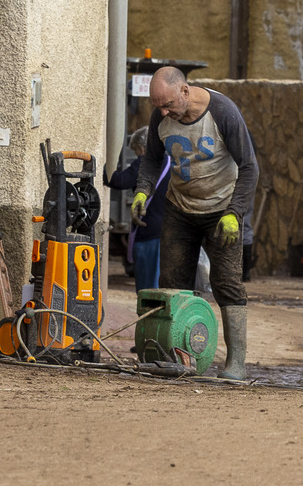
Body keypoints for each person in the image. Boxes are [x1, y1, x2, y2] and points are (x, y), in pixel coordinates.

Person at [133, 67, 259, 380]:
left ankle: (236, 363)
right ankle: (178, 356)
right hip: (180, 209)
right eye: (158, 106)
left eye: (168, 105)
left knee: (227, 283)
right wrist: (141, 191)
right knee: (174, 281)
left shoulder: (224, 113)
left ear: (186, 91)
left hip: (222, 210)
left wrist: (235, 212)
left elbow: (249, 167)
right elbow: (151, 159)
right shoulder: (161, 117)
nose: (163, 112)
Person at [104, 127, 168, 293]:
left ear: (143, 147)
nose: (138, 154)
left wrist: (101, 168)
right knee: (160, 285)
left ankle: (148, 316)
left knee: (148, 288)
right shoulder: (170, 162)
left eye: (137, 150)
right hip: (166, 230)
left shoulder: (146, 162)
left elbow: (120, 180)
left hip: (149, 232)